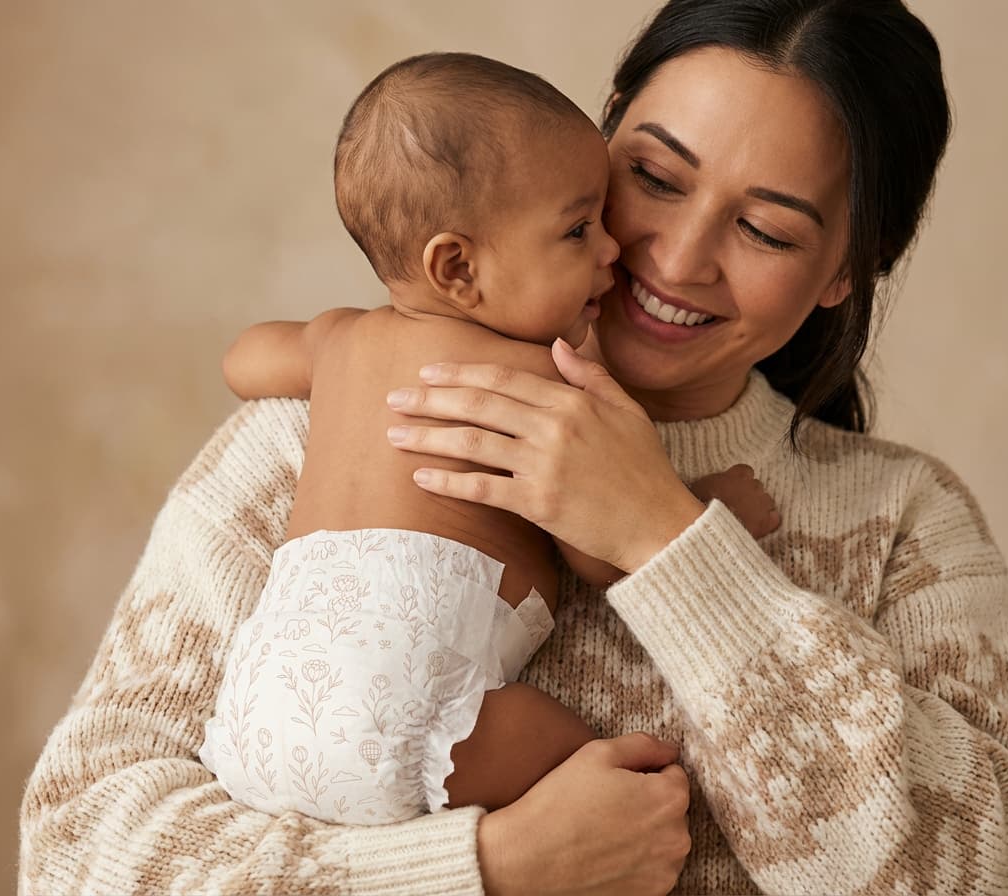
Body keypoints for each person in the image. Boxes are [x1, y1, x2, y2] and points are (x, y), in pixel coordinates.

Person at [19, 1, 1008, 894]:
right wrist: (488, 866)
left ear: (849, 268)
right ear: (598, 132)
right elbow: (74, 855)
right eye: (654, 176)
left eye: (768, 231)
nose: (675, 259)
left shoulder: (902, 522)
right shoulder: (318, 434)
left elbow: (972, 872)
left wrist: (666, 536)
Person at [200, 51, 776, 826]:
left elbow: (242, 361)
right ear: (457, 268)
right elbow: (606, 547)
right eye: (578, 229)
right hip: (404, 713)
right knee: (622, 789)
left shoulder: (340, 341)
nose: (612, 249)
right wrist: (706, 512)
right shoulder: (544, 385)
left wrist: (329, 366)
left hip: (256, 712)